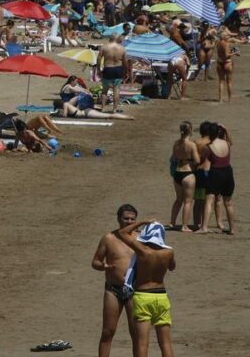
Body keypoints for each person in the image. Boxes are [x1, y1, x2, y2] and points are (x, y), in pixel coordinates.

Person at [116, 221, 176, 357]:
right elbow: (172, 267)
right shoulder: (169, 252)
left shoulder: (142, 251)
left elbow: (122, 233)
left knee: (142, 343)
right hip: (161, 296)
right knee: (165, 343)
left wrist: (143, 221)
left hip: (143, 296)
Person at [91, 204, 139, 357]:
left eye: (132, 219)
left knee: (137, 333)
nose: (129, 221)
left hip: (135, 290)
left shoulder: (141, 238)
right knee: (107, 331)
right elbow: (95, 262)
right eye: (126, 218)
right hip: (113, 290)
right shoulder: (109, 238)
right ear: (119, 219)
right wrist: (104, 266)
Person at [197, 123, 235, 235]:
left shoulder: (208, 147)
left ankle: (204, 227)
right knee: (228, 202)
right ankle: (232, 229)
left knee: (209, 200)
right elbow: (230, 141)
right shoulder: (226, 143)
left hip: (215, 173)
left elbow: (202, 161)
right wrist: (226, 129)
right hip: (228, 172)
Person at [169, 122, 199, 233]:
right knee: (188, 201)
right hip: (188, 173)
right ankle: (184, 226)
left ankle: (172, 222)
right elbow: (197, 161)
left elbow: (172, 158)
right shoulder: (191, 145)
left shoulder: (176, 143)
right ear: (190, 130)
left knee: (178, 199)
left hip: (177, 172)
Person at [98, 35, 127, 113]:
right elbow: (125, 61)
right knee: (116, 90)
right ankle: (114, 109)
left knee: (105, 90)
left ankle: (103, 108)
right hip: (118, 69)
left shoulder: (104, 47)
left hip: (108, 69)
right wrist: (125, 71)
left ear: (110, 39)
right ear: (116, 39)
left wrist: (98, 70)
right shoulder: (122, 48)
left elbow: (99, 58)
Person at [53, 100, 135, 120]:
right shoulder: (66, 104)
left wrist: (56, 115)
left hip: (86, 113)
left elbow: (65, 115)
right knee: (108, 115)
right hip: (85, 111)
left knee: (109, 116)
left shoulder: (65, 104)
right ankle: (127, 117)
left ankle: (128, 117)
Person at [216, 29, 238, 103]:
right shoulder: (226, 43)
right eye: (227, 35)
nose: (228, 36)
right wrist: (235, 53)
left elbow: (222, 53)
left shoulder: (218, 43)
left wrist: (231, 51)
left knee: (221, 81)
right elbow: (226, 55)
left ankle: (220, 99)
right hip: (227, 63)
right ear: (223, 37)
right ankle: (230, 99)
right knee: (229, 82)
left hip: (219, 63)